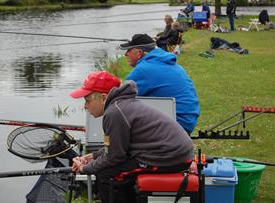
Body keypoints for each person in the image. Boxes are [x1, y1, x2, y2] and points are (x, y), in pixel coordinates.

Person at [70, 71, 194, 203]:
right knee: (106, 168)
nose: (85, 106)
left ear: (103, 97)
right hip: (169, 152)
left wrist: (85, 168)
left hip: (170, 157)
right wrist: (92, 156)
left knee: (107, 174)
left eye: (87, 100)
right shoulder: (120, 105)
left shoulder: (114, 112)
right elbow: (116, 146)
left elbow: (115, 156)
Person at [120, 34, 200, 134]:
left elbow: (119, 99)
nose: (125, 54)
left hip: (176, 124)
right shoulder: (164, 61)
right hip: (188, 120)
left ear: (139, 53)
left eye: (128, 51)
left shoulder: (144, 69)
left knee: (119, 116)